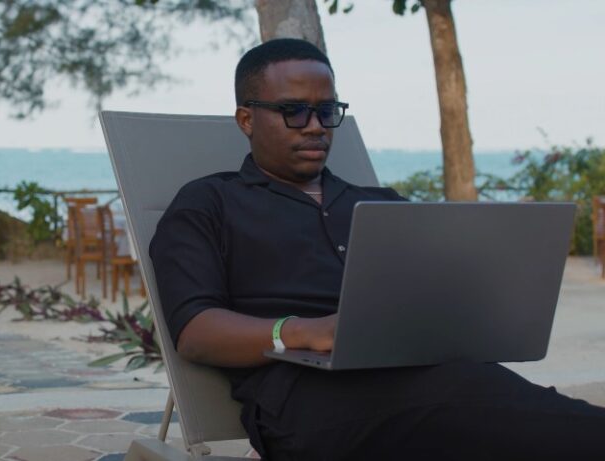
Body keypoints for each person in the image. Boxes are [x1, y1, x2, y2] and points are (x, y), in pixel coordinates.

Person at [149, 38, 605, 460]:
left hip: (434, 381)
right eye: (294, 111)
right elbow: (196, 332)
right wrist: (308, 332)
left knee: (507, 404)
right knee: (500, 407)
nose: (315, 127)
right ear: (247, 119)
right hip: (304, 402)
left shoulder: (383, 205)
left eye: (327, 112)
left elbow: (439, 297)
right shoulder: (210, 203)